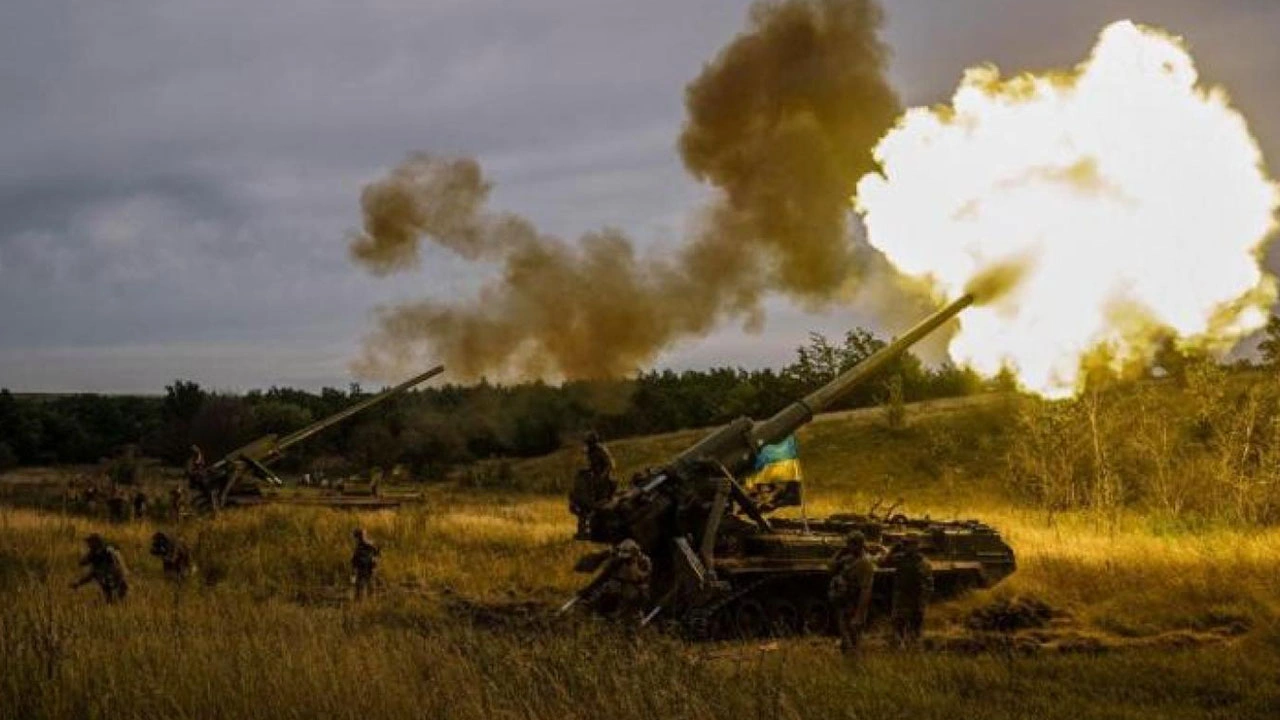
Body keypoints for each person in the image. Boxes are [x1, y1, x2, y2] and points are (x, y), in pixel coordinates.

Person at [829, 531, 876, 654]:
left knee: (854, 641)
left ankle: (855, 664)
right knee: (845, 640)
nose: (848, 547)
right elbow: (831, 567)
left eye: (851, 544)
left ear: (858, 545)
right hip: (845, 604)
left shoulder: (865, 564)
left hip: (855, 606)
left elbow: (866, 590)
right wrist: (840, 552)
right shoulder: (848, 559)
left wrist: (859, 615)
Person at [890, 537, 933, 647]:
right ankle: (901, 647)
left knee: (915, 627)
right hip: (902, 598)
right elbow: (884, 562)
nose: (906, 547)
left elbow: (929, 584)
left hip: (916, 599)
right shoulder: (900, 558)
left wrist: (924, 601)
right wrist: (893, 549)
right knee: (898, 625)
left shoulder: (923, 563)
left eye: (909, 545)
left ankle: (913, 647)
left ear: (916, 546)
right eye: (905, 545)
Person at [598, 539, 652, 624]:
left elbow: (644, 576)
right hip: (622, 583)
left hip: (637, 587)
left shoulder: (644, 561)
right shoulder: (619, 559)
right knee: (609, 589)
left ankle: (631, 616)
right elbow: (608, 571)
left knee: (632, 596)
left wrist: (633, 571)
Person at [71, 534, 129, 603]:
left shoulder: (104, 554)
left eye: (90, 543)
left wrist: (78, 583)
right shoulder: (98, 554)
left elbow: (90, 571)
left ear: (96, 543)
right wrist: (78, 583)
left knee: (112, 600)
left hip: (116, 583)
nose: (88, 545)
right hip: (113, 583)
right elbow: (88, 570)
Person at [350, 528, 381, 600]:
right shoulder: (369, 545)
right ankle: (368, 601)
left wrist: (353, 570)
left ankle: (363, 602)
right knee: (368, 587)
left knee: (363, 587)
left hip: (365, 569)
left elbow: (355, 559)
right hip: (367, 569)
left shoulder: (363, 546)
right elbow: (377, 555)